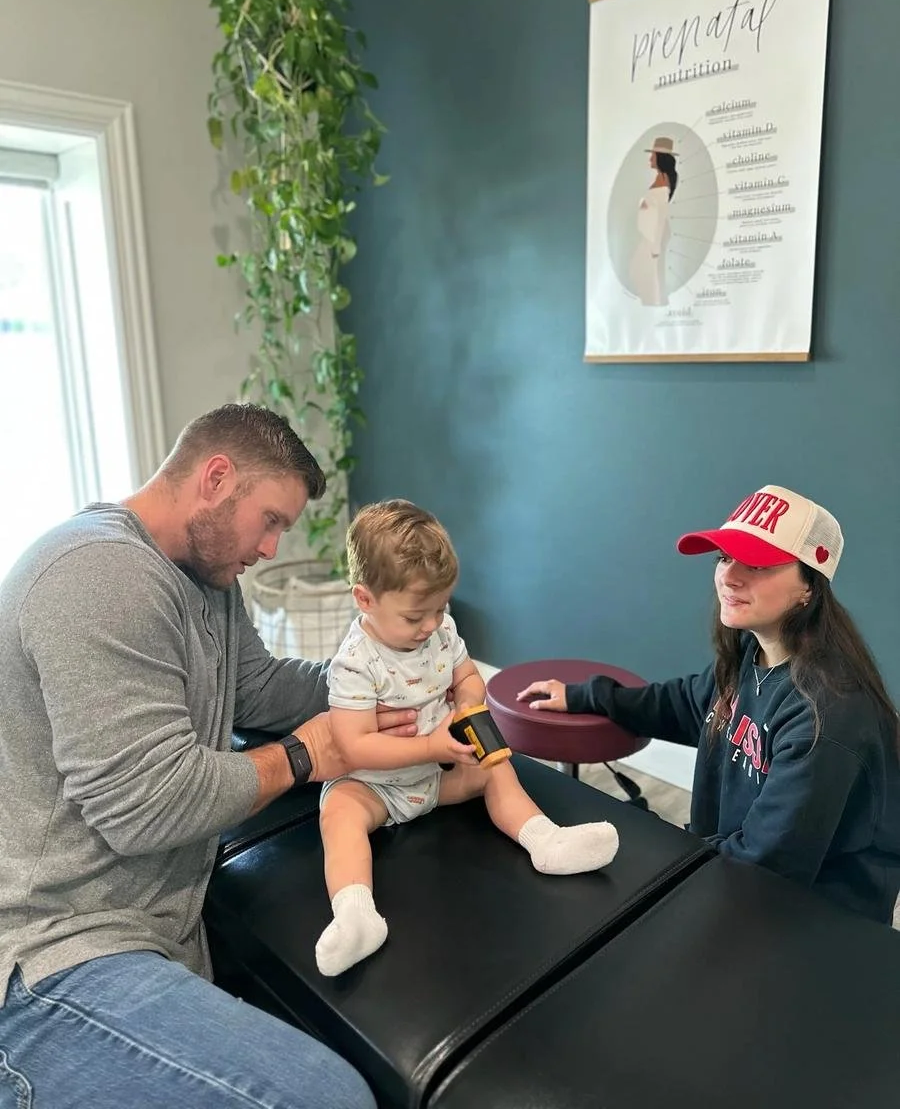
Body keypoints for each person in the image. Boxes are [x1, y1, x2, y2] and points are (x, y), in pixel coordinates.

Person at [0, 403, 423, 1108]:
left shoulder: (205, 578)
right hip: (49, 954)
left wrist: (372, 687)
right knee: (326, 1099)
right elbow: (147, 805)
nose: (271, 549)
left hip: (149, 927)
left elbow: (254, 686)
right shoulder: (99, 575)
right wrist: (305, 754)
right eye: (272, 521)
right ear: (217, 478)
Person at [518, 485, 900, 924]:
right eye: (723, 558)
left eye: (755, 563)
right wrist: (584, 696)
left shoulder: (830, 716)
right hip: (735, 878)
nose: (729, 576)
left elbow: (767, 860)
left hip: (809, 921)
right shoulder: (751, 655)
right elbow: (685, 703)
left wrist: (654, 852)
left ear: (809, 587)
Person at [315, 499, 619, 977]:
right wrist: (430, 746)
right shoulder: (355, 664)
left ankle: (546, 840)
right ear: (365, 599)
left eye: (441, 608)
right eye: (416, 616)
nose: (432, 625)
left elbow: (469, 677)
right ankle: (355, 914)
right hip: (376, 787)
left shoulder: (439, 632)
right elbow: (353, 747)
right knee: (338, 814)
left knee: (495, 765)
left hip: (439, 779)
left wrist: (468, 703)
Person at [629, 135, 678, 307]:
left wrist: (655, 245)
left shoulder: (663, 181)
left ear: (660, 157)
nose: (650, 158)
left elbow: (661, 212)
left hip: (653, 236)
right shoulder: (661, 179)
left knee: (644, 271)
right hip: (650, 234)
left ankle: (653, 303)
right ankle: (652, 301)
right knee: (642, 271)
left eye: (653, 155)